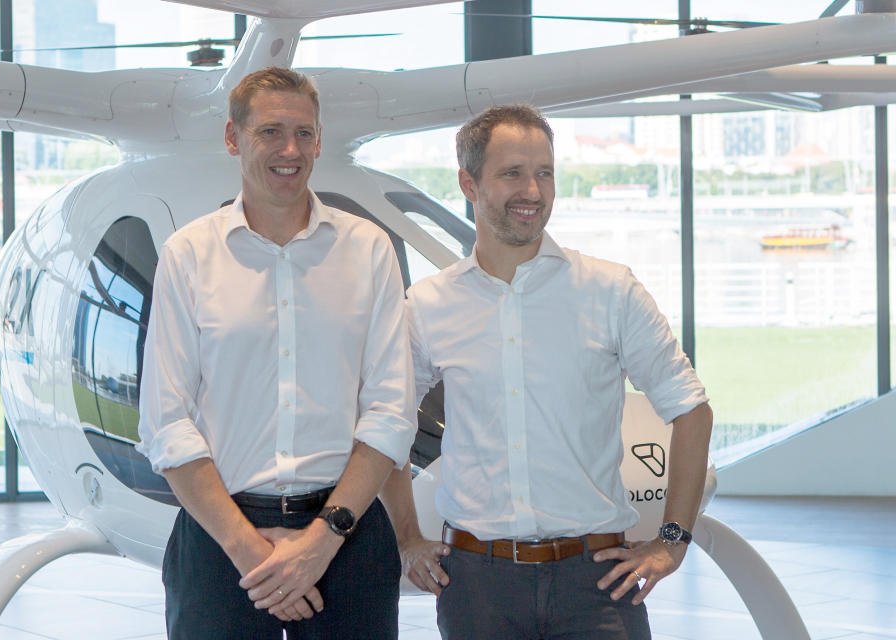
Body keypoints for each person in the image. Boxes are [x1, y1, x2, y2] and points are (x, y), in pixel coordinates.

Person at [380, 104, 713, 640]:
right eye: (512, 173)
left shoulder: (610, 290)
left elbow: (691, 409)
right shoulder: (429, 304)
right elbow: (387, 426)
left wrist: (672, 540)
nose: (532, 191)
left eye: (544, 173)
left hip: (598, 582)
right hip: (476, 586)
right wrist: (408, 539)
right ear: (468, 182)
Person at [137, 66, 416, 639]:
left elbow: (390, 413)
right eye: (270, 131)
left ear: (318, 139)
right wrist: (252, 555)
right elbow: (166, 422)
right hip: (220, 539)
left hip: (347, 531)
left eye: (304, 133)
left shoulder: (368, 251)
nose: (290, 150)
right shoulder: (188, 254)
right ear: (233, 138)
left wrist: (321, 542)